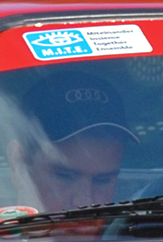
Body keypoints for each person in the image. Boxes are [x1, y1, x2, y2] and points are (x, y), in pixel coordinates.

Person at [7, 72, 135, 213]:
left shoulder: (143, 232)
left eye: (102, 180)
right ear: (18, 164)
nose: (84, 202)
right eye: (63, 176)